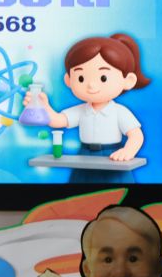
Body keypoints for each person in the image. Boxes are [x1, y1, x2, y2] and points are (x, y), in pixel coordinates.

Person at [23, 33, 150, 184]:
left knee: (115, 189)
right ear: (69, 80)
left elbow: (136, 135)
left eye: (103, 78)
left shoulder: (119, 112)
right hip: (84, 156)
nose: (91, 85)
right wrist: (43, 106)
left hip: (112, 156)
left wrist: (128, 151)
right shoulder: (80, 111)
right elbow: (57, 121)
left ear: (128, 81)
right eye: (81, 78)